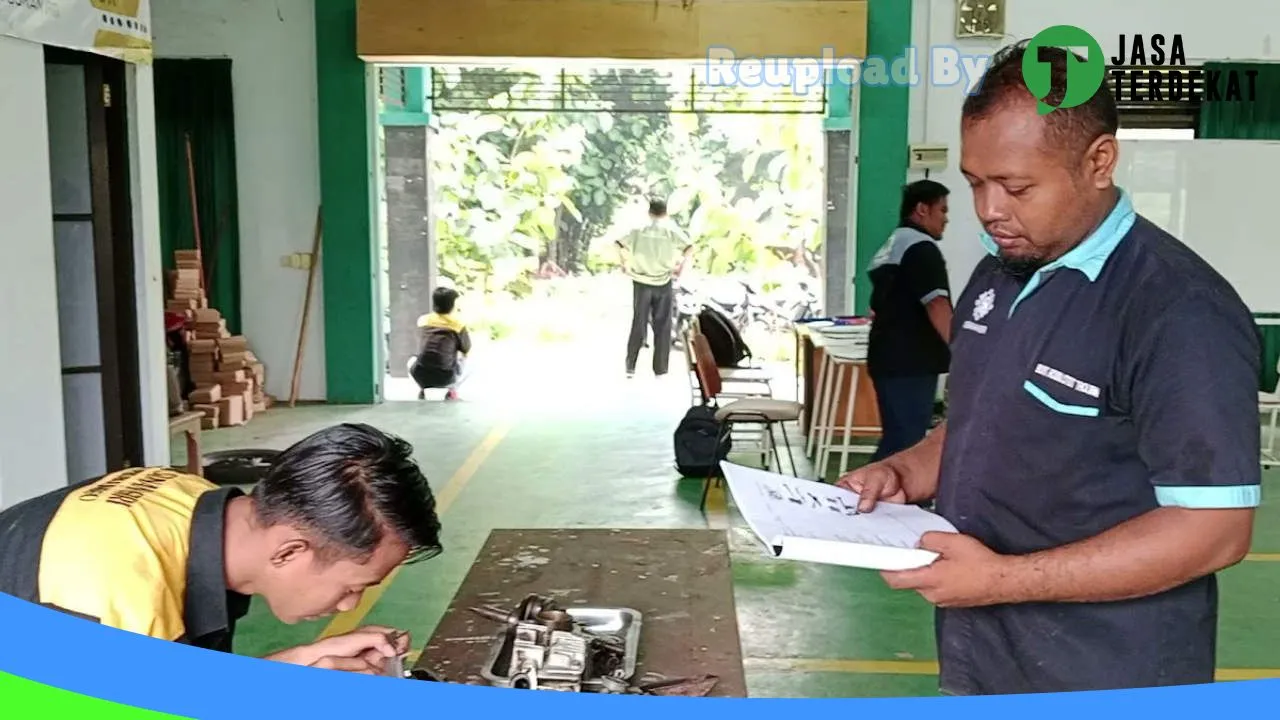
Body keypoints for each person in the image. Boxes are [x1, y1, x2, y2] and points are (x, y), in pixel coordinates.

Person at [837, 41, 1261, 696]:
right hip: (981, 655)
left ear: (1099, 161)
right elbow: (983, 421)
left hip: (1107, 675)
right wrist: (904, 471)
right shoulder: (998, 275)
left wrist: (999, 580)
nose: (988, 210)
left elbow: (1213, 531)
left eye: (1016, 186)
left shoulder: (1175, 311)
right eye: (975, 183)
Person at [0, 423, 443, 674]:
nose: (351, 604)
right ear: (289, 552)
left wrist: (301, 662)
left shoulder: (192, 501)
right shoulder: (109, 595)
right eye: (353, 587)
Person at [865, 180, 954, 461]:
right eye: (942, 210)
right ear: (921, 209)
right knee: (906, 444)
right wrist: (962, 349)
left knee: (899, 437)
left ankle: (864, 498)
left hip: (888, 358)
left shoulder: (893, 245)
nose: (946, 218)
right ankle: (859, 497)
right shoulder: (920, 248)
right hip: (911, 362)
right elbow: (937, 304)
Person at [616, 197, 693, 379]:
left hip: (641, 282)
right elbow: (689, 248)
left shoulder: (637, 229)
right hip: (663, 281)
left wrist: (624, 264)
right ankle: (660, 370)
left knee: (638, 323)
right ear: (665, 212)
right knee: (663, 326)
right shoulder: (671, 230)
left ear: (649, 211)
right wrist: (679, 268)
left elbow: (618, 243)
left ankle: (630, 367)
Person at [409, 286, 472, 401]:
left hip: (421, 374)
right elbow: (466, 349)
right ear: (452, 305)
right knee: (471, 362)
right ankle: (452, 391)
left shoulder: (423, 321)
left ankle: (422, 390)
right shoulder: (458, 324)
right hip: (446, 376)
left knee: (411, 361)